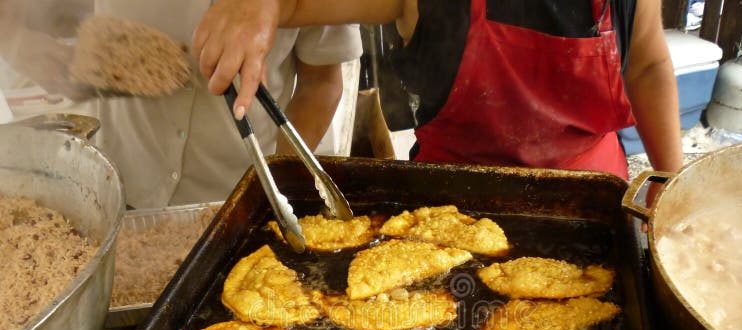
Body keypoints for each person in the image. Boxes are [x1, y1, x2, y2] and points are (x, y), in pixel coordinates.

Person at [191, 0, 683, 180]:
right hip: (449, 204)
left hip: (585, 198)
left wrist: (671, 181)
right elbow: (294, 5)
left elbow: (649, 66)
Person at [0, 1, 363, 208]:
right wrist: (21, 43)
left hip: (233, 197)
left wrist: (274, 185)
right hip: (119, 186)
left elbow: (321, 84)